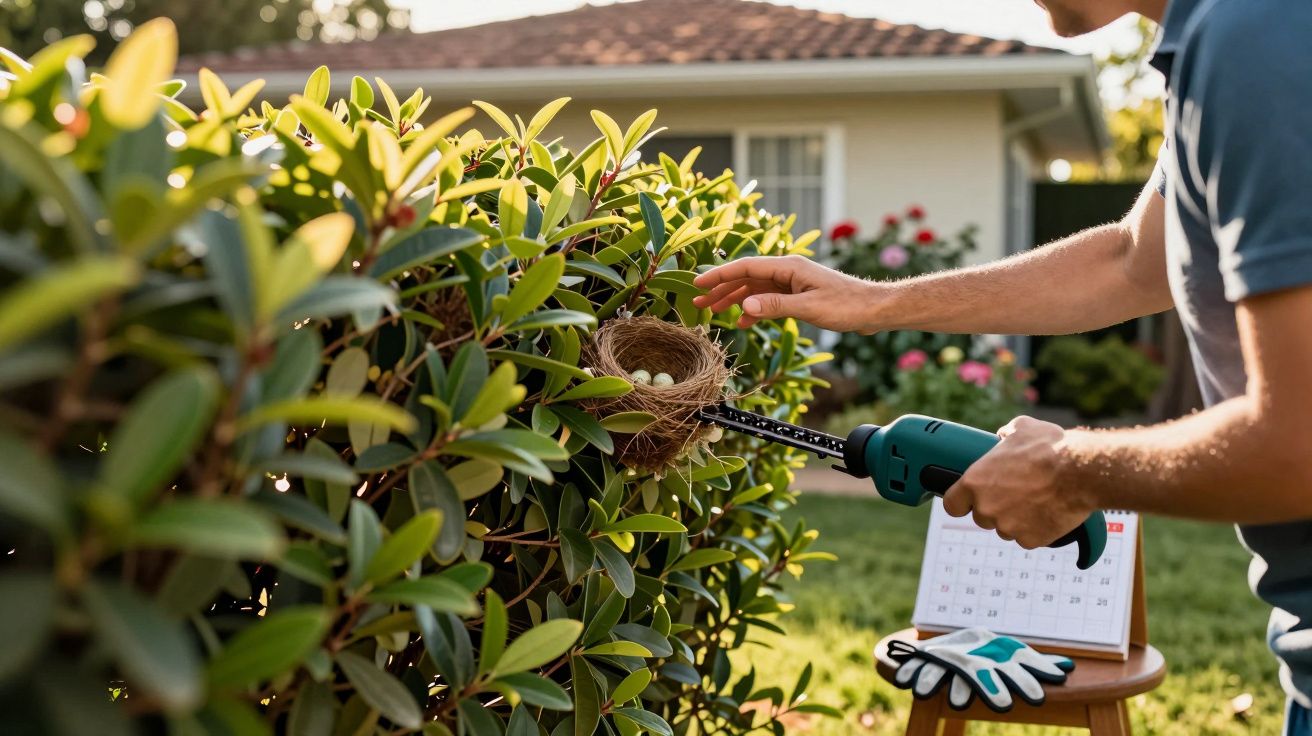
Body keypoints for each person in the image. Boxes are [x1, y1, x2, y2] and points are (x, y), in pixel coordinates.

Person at [692, 0, 1312, 730]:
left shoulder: (1257, 34)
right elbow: (1126, 258)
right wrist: (874, 303)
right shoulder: (1239, 37)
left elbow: (1297, 444)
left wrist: (1070, 469)